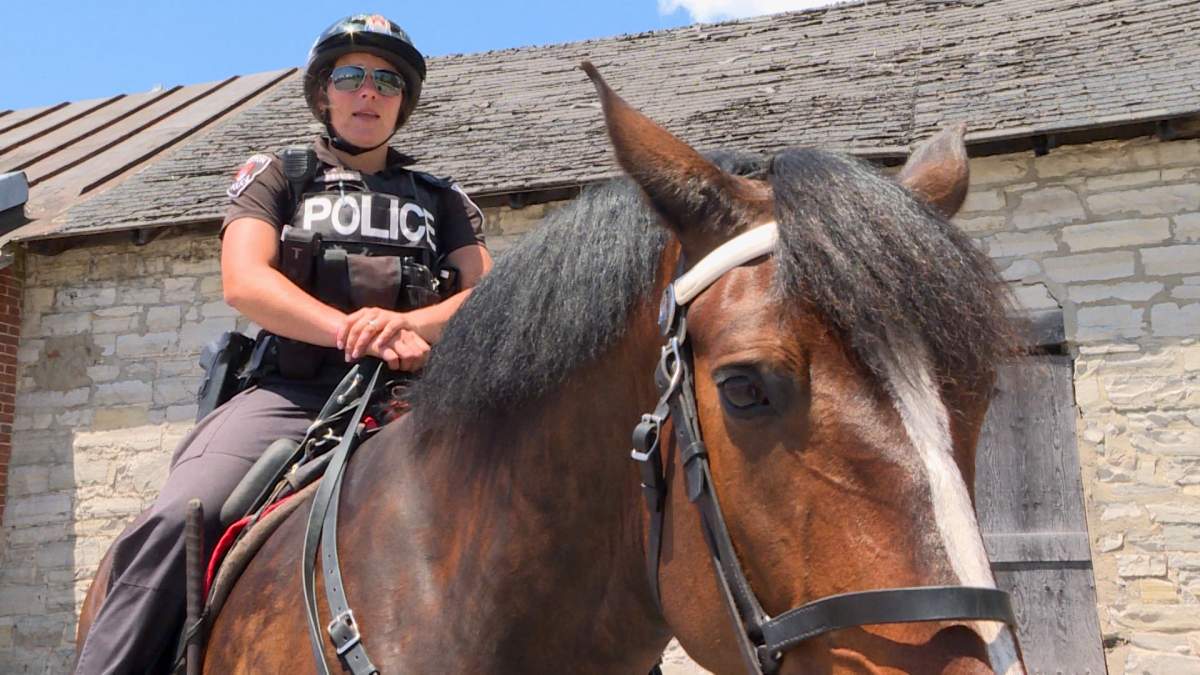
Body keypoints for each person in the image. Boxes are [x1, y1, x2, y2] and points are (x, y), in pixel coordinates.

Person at [74, 15, 492, 674]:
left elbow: (486, 297)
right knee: (186, 512)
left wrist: (411, 327)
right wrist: (347, 328)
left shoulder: (443, 200)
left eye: (386, 81)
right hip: (293, 393)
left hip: (419, 397)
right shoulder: (279, 175)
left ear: (402, 101)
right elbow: (244, 281)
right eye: (350, 76)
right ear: (324, 92)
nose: (368, 92)